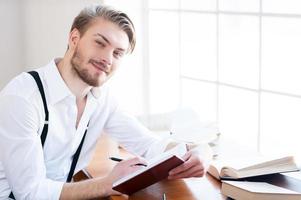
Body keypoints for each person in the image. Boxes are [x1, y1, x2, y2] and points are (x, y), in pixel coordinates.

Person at [0, 4, 210, 200]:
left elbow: (150, 145)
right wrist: (108, 183)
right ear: (74, 38)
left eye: (117, 53)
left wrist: (200, 153)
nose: (107, 59)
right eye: (100, 43)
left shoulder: (102, 100)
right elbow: (29, 192)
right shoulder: (23, 97)